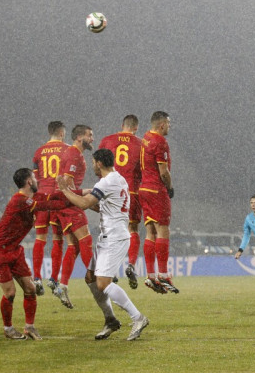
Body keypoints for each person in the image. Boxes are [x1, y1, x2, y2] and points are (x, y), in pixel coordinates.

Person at [57, 149, 150, 341]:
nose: (92, 166)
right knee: (91, 278)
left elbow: (83, 204)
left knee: (103, 283)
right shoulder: (119, 179)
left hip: (115, 238)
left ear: (98, 163)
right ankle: (111, 320)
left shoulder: (106, 182)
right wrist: (80, 199)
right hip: (109, 236)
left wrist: (65, 191)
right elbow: (100, 206)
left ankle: (138, 317)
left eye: (93, 163)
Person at [0, 168, 69, 339]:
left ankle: (29, 327)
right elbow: (49, 205)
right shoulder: (19, 200)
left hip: (15, 251)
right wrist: (76, 200)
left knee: (30, 288)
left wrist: (85, 192)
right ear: (29, 182)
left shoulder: (30, 199)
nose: (37, 179)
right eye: (34, 177)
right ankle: (8, 329)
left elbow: (52, 198)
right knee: (10, 293)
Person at [98, 114, 143, 289]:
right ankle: (131, 264)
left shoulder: (108, 140)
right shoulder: (140, 144)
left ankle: (112, 269)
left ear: (122, 125)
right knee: (132, 229)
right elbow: (144, 168)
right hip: (131, 190)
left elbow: (98, 164)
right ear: (136, 127)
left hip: (110, 190)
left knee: (110, 228)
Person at [53, 124, 95, 308]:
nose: (92, 138)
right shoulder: (73, 154)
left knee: (74, 246)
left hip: (64, 204)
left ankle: (62, 286)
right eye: (89, 135)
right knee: (86, 240)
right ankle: (96, 276)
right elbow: (68, 185)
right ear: (79, 137)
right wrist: (86, 192)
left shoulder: (76, 154)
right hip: (69, 203)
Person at [139, 111, 178, 293]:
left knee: (150, 232)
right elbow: (163, 171)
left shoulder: (146, 137)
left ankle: (151, 275)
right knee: (163, 230)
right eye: (168, 123)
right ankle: (163, 275)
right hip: (156, 189)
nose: (170, 126)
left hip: (144, 189)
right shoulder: (160, 141)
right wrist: (169, 187)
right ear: (162, 125)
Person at [30, 121, 67, 296]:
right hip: (58, 197)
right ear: (61, 133)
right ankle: (53, 278)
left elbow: (34, 181)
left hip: (42, 197)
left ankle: (36, 277)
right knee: (58, 238)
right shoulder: (68, 150)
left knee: (40, 237)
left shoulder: (38, 152)